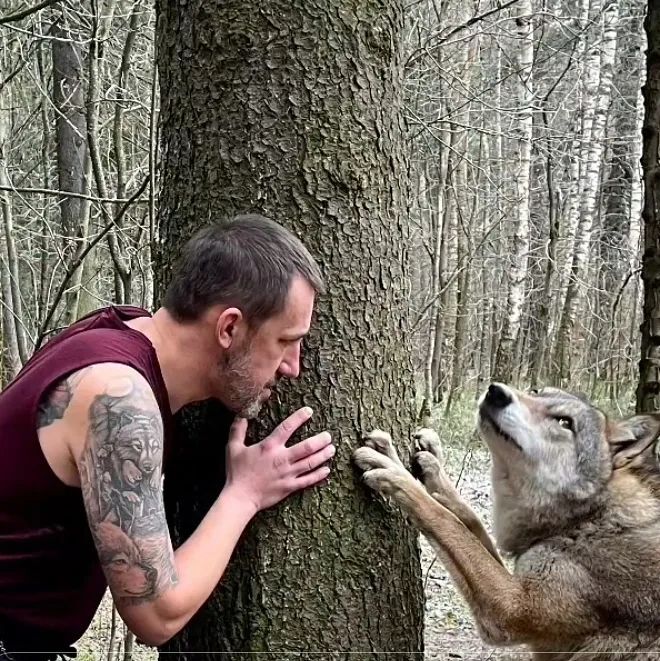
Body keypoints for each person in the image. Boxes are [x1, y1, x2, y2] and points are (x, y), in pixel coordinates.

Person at [0, 214, 335, 660]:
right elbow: (157, 616)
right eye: (284, 341)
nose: (293, 365)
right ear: (229, 328)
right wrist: (245, 494)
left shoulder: (120, 330)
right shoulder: (118, 397)